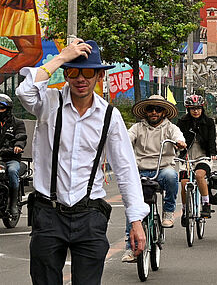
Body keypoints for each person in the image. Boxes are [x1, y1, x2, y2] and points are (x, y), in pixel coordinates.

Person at [17, 39, 146, 285]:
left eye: (88, 72)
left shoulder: (109, 115)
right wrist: (60, 58)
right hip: (48, 212)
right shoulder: (48, 103)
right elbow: (25, 92)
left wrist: (136, 221)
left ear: (99, 76)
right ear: (66, 74)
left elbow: (126, 169)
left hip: (90, 214)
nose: (80, 79)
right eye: (74, 72)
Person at [122, 95, 183, 262]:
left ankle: (168, 212)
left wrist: (180, 142)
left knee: (171, 175)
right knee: (132, 208)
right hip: (139, 171)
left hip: (162, 170)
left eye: (158, 109)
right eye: (150, 109)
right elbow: (126, 137)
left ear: (164, 112)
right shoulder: (137, 127)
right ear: (145, 112)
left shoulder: (170, 127)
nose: (154, 112)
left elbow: (178, 136)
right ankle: (130, 248)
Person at [177, 94, 217, 217]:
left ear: (202, 108)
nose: (196, 111)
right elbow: (177, 138)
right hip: (187, 157)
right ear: (188, 109)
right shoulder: (182, 122)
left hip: (203, 156)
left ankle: (206, 204)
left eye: (198, 108)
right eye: (193, 109)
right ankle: (185, 210)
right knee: (184, 183)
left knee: (199, 175)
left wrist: (213, 153)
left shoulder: (209, 122)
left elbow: (212, 139)